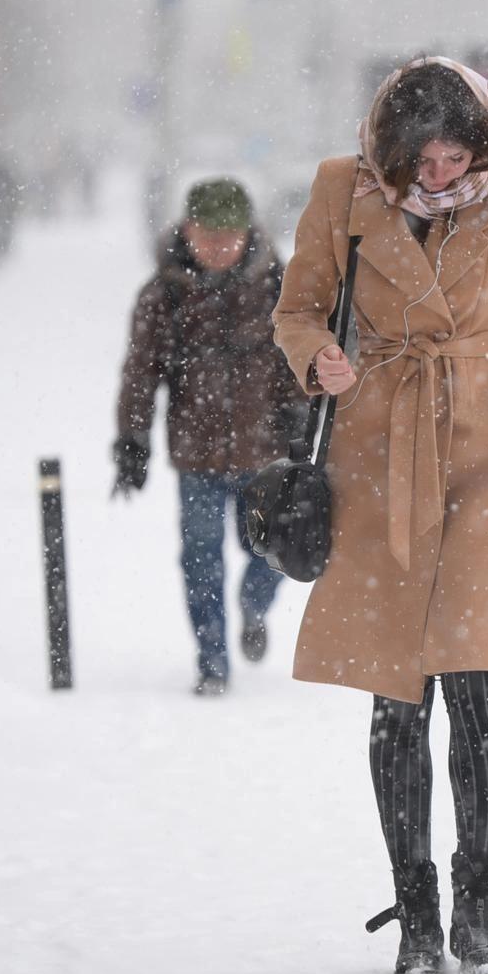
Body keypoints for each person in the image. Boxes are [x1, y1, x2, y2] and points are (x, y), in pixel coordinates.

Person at [273, 58, 488, 974]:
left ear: (483, 144)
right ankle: (415, 910)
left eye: (453, 156)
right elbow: (298, 310)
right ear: (390, 150)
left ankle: (479, 901)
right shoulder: (342, 190)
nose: (435, 176)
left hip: (486, 456)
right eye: (418, 160)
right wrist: (318, 363)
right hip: (378, 452)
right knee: (398, 693)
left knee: (476, 683)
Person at [114, 177, 305, 696]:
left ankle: (252, 604)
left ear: (248, 234)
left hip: (263, 452)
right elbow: (139, 373)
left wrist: (298, 415)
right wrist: (132, 440)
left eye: (229, 236)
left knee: (274, 549)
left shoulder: (277, 288)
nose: (218, 247)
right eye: (207, 235)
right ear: (188, 231)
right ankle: (212, 661)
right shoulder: (164, 295)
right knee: (199, 558)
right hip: (195, 454)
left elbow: (297, 356)